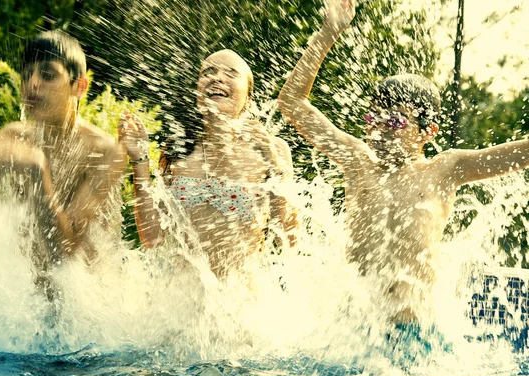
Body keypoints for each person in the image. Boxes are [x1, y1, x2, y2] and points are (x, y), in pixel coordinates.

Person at [278, 0, 529, 324]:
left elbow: (522, 152)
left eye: (395, 120)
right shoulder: (357, 161)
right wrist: (330, 30)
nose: (379, 126)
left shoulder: (444, 169)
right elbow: (292, 103)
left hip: (415, 337)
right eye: (373, 117)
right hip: (352, 335)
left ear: (429, 132)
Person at [118, 49, 298, 278]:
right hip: (179, 299)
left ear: (248, 97)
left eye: (231, 73)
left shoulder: (273, 150)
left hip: (240, 302)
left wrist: (273, 161)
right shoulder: (177, 149)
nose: (217, 77)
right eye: (209, 72)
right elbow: (152, 238)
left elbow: (289, 239)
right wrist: (139, 161)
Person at [0, 31, 126, 298]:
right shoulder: (14, 136)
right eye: (27, 75)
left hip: (84, 304)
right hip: (24, 298)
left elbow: (67, 252)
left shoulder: (104, 152)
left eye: (47, 75)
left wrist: (39, 173)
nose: (32, 84)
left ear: (79, 87)